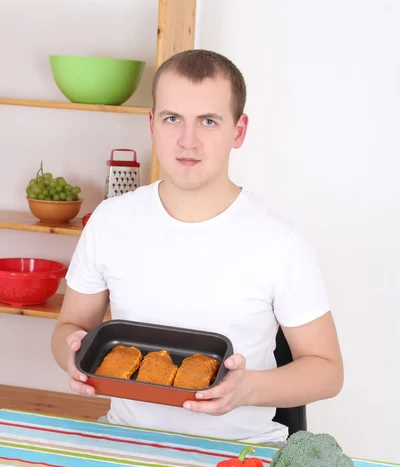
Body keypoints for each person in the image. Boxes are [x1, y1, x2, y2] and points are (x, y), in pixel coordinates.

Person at [51, 49, 343, 445]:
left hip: (240, 458)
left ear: (238, 131)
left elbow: (328, 371)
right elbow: (71, 328)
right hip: (125, 442)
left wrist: (247, 389)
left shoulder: (281, 241)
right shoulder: (110, 220)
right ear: (152, 123)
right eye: (173, 119)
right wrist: (69, 354)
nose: (188, 141)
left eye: (208, 121)